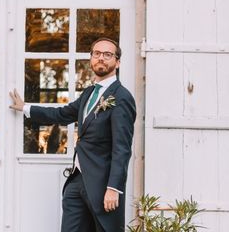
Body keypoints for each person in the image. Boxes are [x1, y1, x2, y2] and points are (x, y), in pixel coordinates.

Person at [9, 37, 136, 232]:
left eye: (108, 55)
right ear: (91, 58)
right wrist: (25, 108)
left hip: (102, 186)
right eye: (97, 54)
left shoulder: (122, 97)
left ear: (117, 62)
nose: (101, 58)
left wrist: (113, 188)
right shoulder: (88, 94)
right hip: (77, 182)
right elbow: (61, 114)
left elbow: (122, 148)